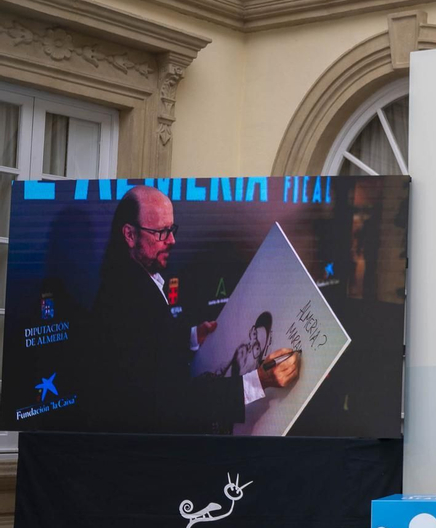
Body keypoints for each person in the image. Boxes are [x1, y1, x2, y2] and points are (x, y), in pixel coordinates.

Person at [86, 185, 300, 434]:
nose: (172, 240)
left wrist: (190, 338)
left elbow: (149, 349)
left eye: (172, 230)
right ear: (130, 235)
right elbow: (175, 401)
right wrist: (259, 382)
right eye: (161, 232)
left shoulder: (131, 280)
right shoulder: (127, 299)